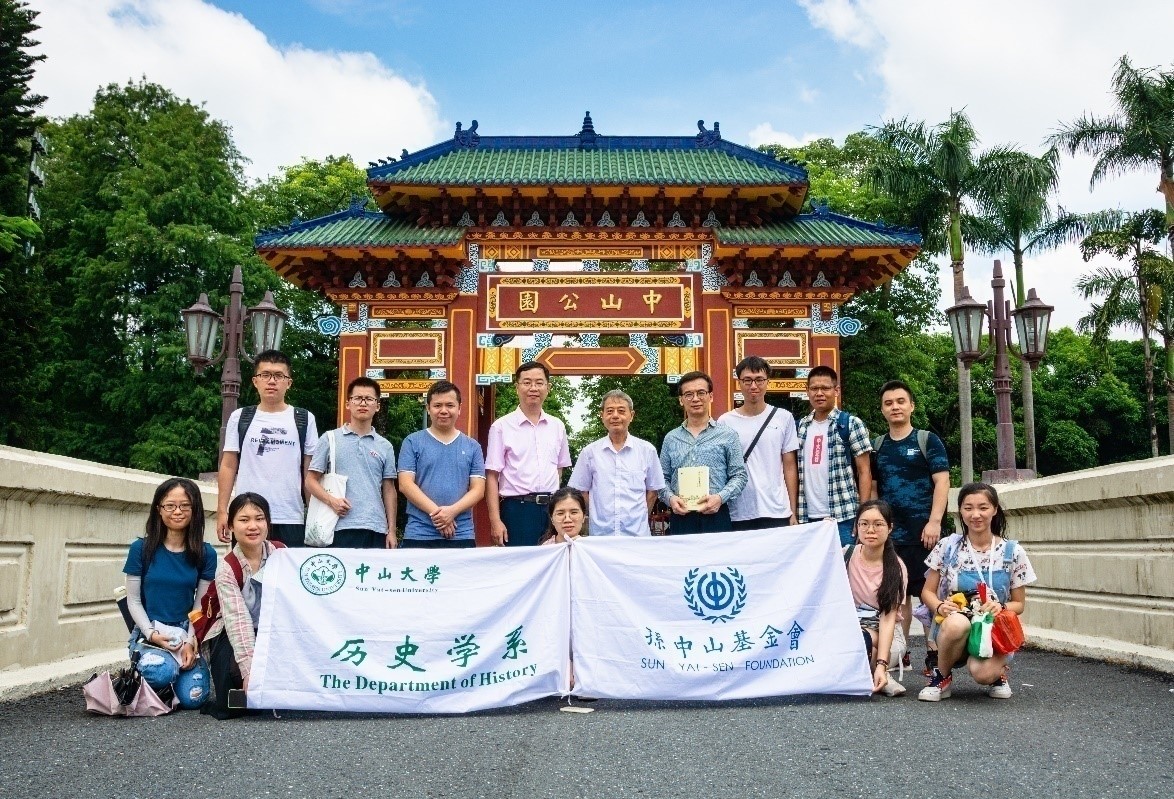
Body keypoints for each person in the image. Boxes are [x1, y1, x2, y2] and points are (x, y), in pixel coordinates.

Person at [919, 482, 1037, 702]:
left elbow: (1019, 604)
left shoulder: (1013, 551)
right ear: (960, 511)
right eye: (968, 508)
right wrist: (940, 606)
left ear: (995, 509)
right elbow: (927, 592)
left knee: (982, 673)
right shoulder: (948, 546)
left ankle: (997, 674)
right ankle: (941, 677)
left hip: (993, 630)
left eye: (983, 507)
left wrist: (1000, 606)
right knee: (957, 624)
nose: (975, 515)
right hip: (954, 626)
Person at [871, 379, 950, 674]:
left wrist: (934, 521)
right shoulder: (877, 446)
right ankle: (898, 651)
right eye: (889, 403)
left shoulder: (927, 440)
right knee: (897, 595)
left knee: (929, 594)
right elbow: (874, 489)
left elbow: (942, 481)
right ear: (882, 409)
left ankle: (934, 654)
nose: (895, 407)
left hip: (925, 533)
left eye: (900, 401)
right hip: (892, 536)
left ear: (911, 406)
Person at [123, 477, 217, 709]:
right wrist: (151, 634)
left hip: (185, 632)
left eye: (185, 506)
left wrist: (190, 641)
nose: (177, 511)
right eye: (170, 506)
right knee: (160, 672)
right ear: (159, 509)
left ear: (195, 510)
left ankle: (169, 682)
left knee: (194, 698)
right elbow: (133, 600)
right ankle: (159, 673)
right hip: (151, 633)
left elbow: (200, 605)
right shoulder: (140, 549)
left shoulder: (206, 553)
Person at [218, 350, 318, 546]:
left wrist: (313, 516)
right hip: (248, 516)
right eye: (265, 375)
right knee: (246, 567)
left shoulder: (304, 419)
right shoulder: (240, 417)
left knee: (288, 566)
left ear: (289, 382)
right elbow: (228, 465)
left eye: (279, 375)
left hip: (290, 516)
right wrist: (222, 511)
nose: (272, 381)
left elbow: (310, 471)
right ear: (255, 381)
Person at [200, 492, 284, 719]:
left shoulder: (282, 554)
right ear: (231, 526)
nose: (253, 526)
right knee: (234, 701)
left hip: (273, 630)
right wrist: (250, 672)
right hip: (232, 631)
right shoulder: (227, 568)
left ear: (268, 522)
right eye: (244, 520)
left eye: (259, 518)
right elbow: (238, 622)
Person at [485, 362, 572, 547]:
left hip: (552, 509)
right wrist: (495, 520)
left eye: (539, 383)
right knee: (519, 562)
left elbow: (559, 469)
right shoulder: (501, 427)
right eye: (527, 382)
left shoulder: (557, 426)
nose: (533, 388)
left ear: (548, 387)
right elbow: (492, 476)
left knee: (554, 560)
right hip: (517, 509)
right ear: (517, 387)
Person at [305, 377, 398, 549]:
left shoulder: (385, 446)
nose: (363, 403)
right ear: (348, 404)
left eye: (369, 399)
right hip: (338, 525)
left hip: (376, 526)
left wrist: (391, 530)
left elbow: (389, 489)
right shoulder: (330, 439)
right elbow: (310, 481)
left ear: (377, 406)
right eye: (357, 398)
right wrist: (332, 501)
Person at [398, 380, 487, 549]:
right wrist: (439, 515)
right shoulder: (412, 442)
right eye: (437, 405)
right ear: (428, 408)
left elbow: (478, 490)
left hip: (461, 532)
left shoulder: (472, 446)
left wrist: (452, 512)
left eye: (450, 405)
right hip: (419, 532)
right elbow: (405, 484)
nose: (444, 410)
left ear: (459, 408)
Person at [659, 371, 747, 535]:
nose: (695, 399)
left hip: (717, 515)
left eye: (701, 393)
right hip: (681, 517)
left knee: (719, 554)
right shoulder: (671, 438)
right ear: (681, 400)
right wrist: (670, 499)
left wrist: (720, 498)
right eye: (688, 394)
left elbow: (739, 476)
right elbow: (661, 478)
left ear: (710, 396)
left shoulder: (728, 435)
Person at [718, 356, 799, 531]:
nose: (753, 386)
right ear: (739, 383)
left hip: (776, 509)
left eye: (759, 380)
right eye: (747, 380)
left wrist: (793, 510)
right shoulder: (725, 421)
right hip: (739, 510)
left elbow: (789, 466)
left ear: (768, 382)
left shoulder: (784, 418)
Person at [568, 389, 665, 536]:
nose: (615, 416)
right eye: (609, 411)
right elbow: (581, 491)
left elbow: (653, 492)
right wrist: (596, 513)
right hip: (601, 534)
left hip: (637, 534)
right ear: (602, 416)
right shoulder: (590, 453)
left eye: (621, 411)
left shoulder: (647, 450)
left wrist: (639, 517)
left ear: (631, 415)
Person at [796, 365, 872, 546]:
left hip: (844, 515)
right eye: (814, 388)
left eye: (825, 388)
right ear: (807, 391)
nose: (819, 393)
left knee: (846, 563)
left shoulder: (850, 424)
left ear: (836, 390)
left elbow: (864, 471)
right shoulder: (799, 427)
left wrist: (863, 515)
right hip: (806, 517)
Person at [845, 500, 908, 697]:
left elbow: (888, 619)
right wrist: (824, 531)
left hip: (888, 638)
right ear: (856, 527)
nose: (870, 530)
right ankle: (878, 677)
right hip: (850, 629)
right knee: (854, 639)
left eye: (878, 524)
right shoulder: (846, 555)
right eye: (864, 523)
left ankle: (878, 671)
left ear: (890, 528)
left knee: (860, 639)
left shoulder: (896, 568)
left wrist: (882, 663)